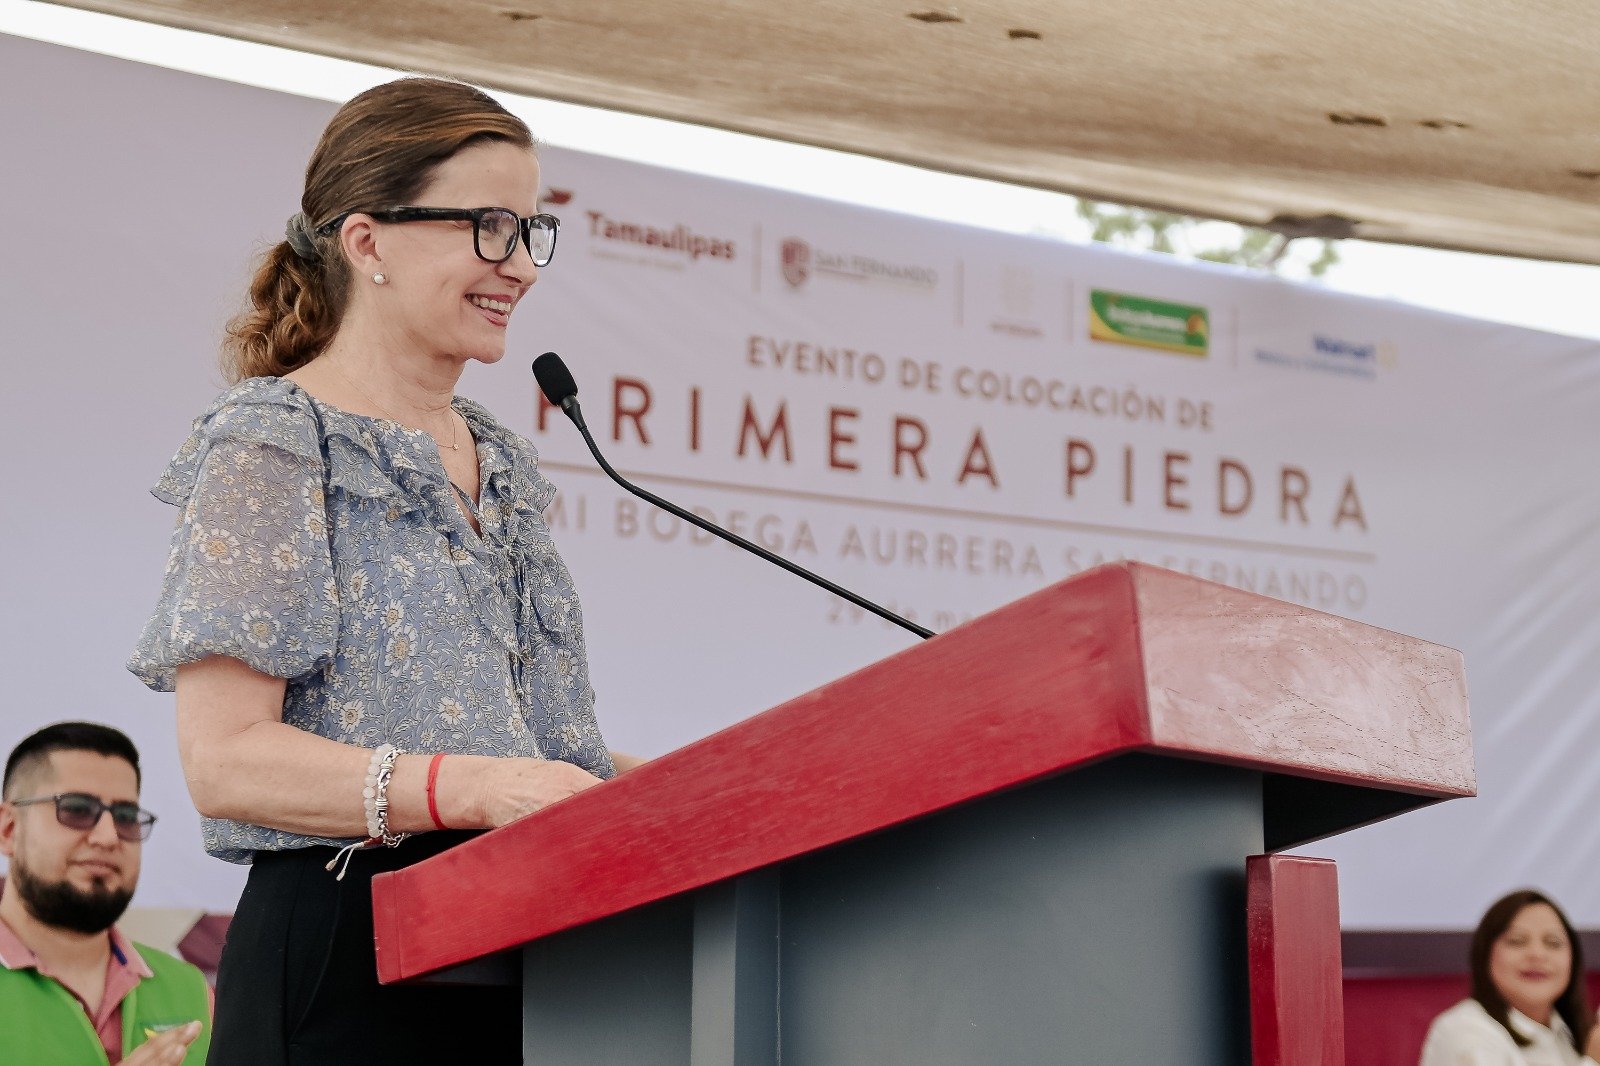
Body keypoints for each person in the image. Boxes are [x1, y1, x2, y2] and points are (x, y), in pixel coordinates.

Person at [127, 76, 645, 1063]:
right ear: (367, 243)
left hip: (530, 957)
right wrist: (475, 789)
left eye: (530, 231)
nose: (520, 265)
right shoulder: (276, 441)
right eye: (490, 228)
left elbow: (521, 748)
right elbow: (226, 760)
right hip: (345, 961)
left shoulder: (501, 457)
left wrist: (685, 787)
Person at [0, 722, 210, 1064]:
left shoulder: (191, 990)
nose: (108, 837)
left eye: (125, 816)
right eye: (77, 809)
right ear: (9, 829)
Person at [1420, 889, 1600, 1065]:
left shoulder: (1569, 1034)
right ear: (1485, 954)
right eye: (1517, 941)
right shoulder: (1462, 1030)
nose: (1537, 954)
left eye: (1553, 943)